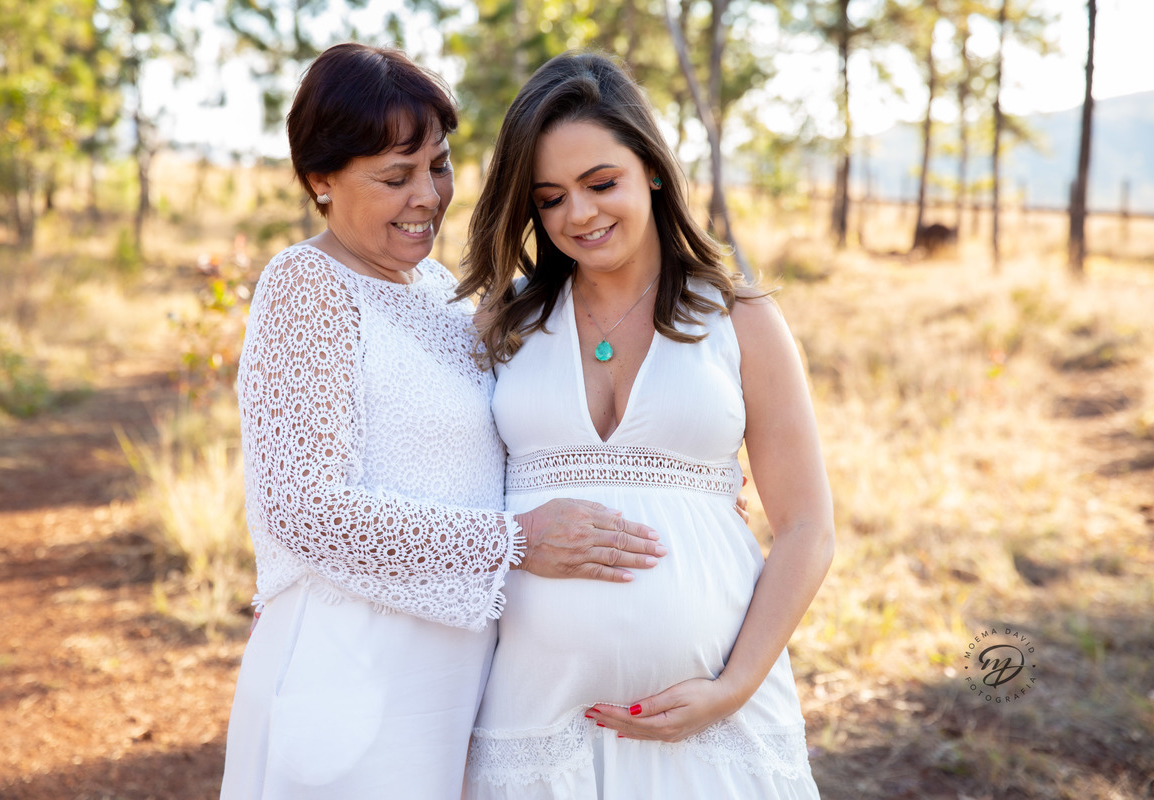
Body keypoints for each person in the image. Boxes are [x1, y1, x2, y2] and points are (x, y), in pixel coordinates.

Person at [218, 43, 669, 800]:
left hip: (461, 668)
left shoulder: (443, 292)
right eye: (395, 177)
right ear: (319, 181)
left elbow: (550, 404)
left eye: (438, 164)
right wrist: (515, 541)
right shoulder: (307, 287)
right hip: (351, 664)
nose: (428, 196)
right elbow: (304, 509)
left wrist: (673, 475)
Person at [456, 51, 835, 799]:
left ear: (652, 169)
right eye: (551, 197)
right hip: (534, 719)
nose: (580, 215)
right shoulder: (504, 324)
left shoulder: (740, 319)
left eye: (602, 184)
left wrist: (732, 687)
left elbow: (806, 529)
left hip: (710, 723)